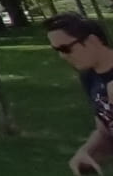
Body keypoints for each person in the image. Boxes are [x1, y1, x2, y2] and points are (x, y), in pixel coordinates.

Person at [48, 13, 113, 174]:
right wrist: (86, 152)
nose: (62, 56)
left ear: (93, 41)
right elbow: (105, 131)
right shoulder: (89, 77)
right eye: (57, 50)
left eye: (65, 48)